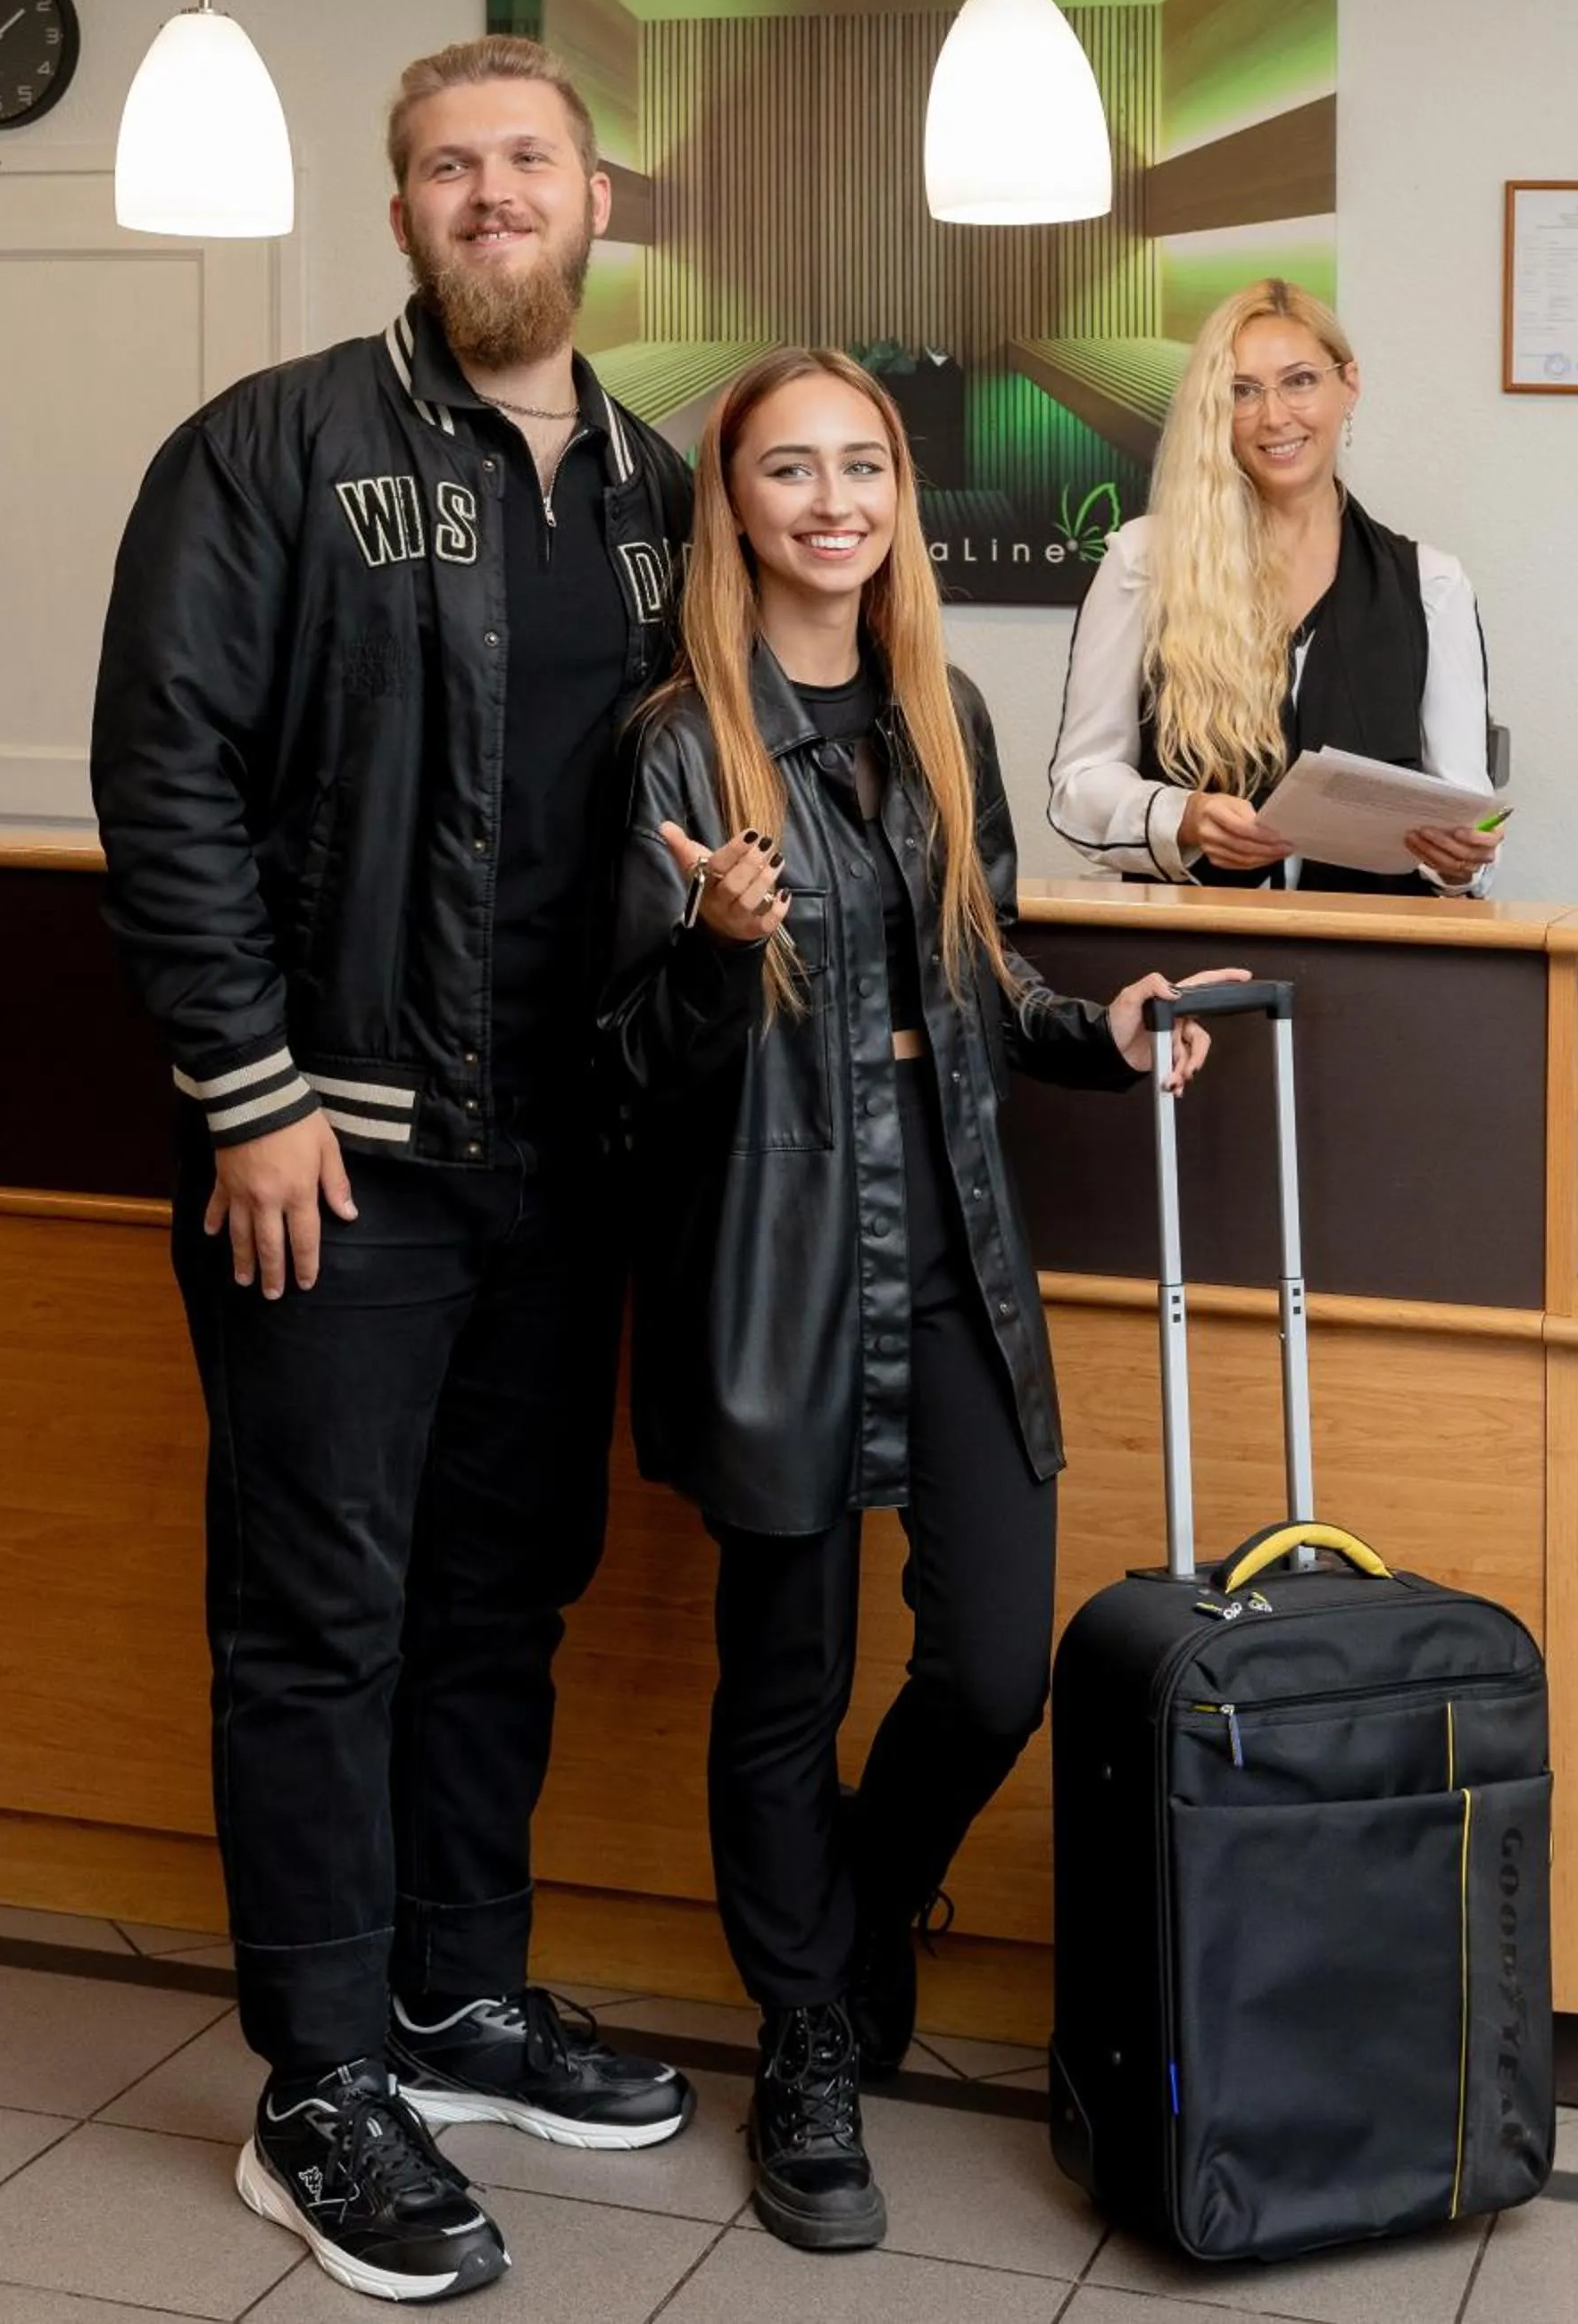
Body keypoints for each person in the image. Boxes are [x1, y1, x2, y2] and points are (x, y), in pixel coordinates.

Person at [91, 35, 696, 2305]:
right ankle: (318, 2074)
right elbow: (163, 780)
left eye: (525, 158)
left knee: (492, 1596)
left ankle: (454, 1993)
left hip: (565, 1163)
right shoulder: (268, 449)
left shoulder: (649, 485)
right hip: (328, 1158)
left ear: (593, 198)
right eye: (447, 165)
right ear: (399, 214)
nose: (489, 193)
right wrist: (245, 1092)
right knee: (319, 1619)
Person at [598, 347, 1239, 2253]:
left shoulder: (938, 706)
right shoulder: (669, 745)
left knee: (985, 1665)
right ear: (734, 505)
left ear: (894, 493)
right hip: (774, 1248)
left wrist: (1096, 1033)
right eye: (786, 470)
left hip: (950, 1233)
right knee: (779, 1679)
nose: (830, 500)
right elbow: (620, 1058)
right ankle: (805, 2036)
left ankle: (859, 1908)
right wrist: (716, 952)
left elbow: (976, 973)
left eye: (859, 465)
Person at [1048, 277, 1503, 894]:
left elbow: (1464, 808)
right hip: (1192, 957)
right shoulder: (1143, 561)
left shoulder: (1432, 585)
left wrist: (1460, 861)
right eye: (1242, 392)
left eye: (1300, 381)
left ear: (1350, 384)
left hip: (1379, 961)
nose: (1274, 416)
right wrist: (1184, 817)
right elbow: (1080, 785)